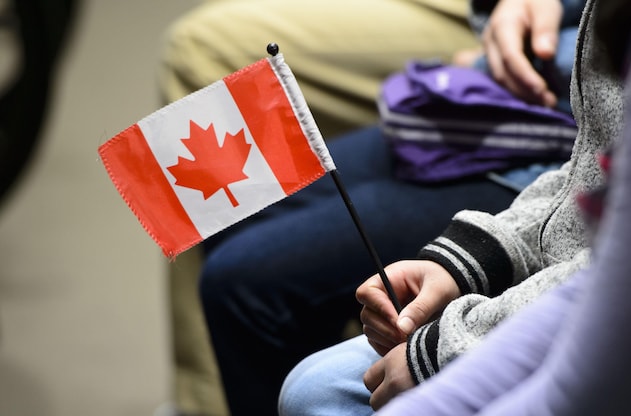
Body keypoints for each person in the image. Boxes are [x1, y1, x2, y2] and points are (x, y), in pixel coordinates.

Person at [281, 0, 631, 415]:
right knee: (307, 383)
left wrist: (446, 349)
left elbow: (618, 285)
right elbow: (594, 169)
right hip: (563, 267)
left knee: (304, 361)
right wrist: (467, 261)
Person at [159, 0, 582, 415]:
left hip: (541, 151)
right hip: (485, 106)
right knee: (241, 214)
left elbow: (604, 236)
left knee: (250, 293)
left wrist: (444, 343)